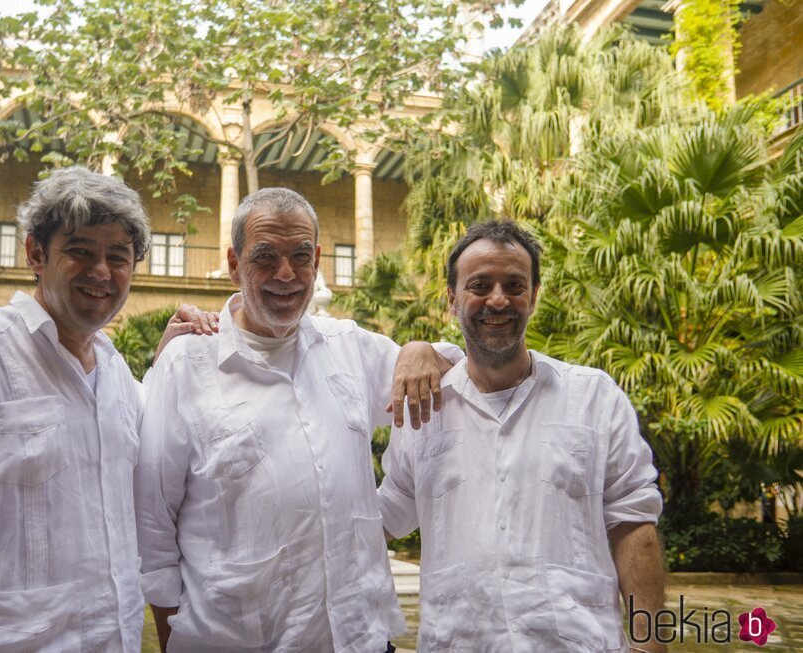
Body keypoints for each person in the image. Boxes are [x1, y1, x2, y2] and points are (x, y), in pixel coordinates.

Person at [0, 166, 215, 653]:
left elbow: (164, 458)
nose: (101, 272)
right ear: (35, 253)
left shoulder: (116, 377)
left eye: (119, 257)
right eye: (80, 251)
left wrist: (171, 358)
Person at [136, 187, 459, 652]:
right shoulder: (185, 365)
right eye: (265, 257)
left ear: (317, 260)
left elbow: (452, 375)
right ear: (234, 263)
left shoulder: (350, 346)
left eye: (300, 256)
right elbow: (153, 527)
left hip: (359, 639)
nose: (285, 274)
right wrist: (173, 638)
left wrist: (418, 349)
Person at [378, 219, 665, 653]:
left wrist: (649, 646)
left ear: (532, 295)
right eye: (480, 285)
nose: (498, 299)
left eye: (514, 284)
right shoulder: (424, 411)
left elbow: (635, 525)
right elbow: (384, 519)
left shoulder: (593, 397)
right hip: (459, 643)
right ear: (453, 300)